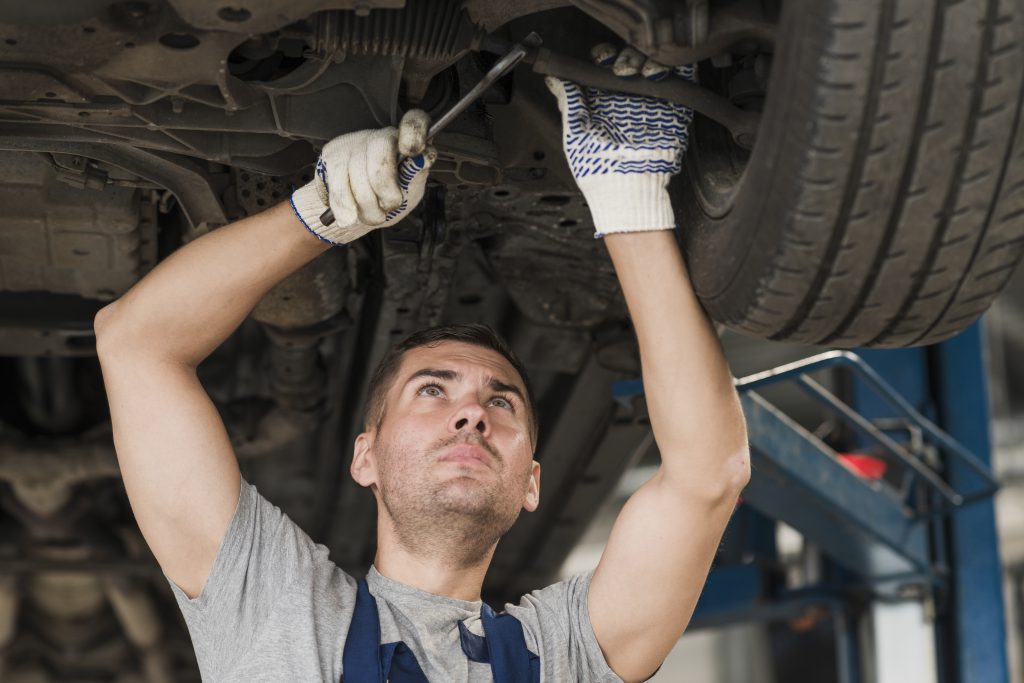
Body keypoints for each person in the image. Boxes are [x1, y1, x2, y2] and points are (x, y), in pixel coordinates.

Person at [94, 45, 750, 683]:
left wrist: (625, 195)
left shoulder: (560, 650)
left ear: (532, 483)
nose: (472, 412)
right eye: (432, 389)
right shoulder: (281, 612)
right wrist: (319, 214)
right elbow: (135, 343)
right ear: (365, 456)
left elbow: (706, 476)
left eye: (503, 401)